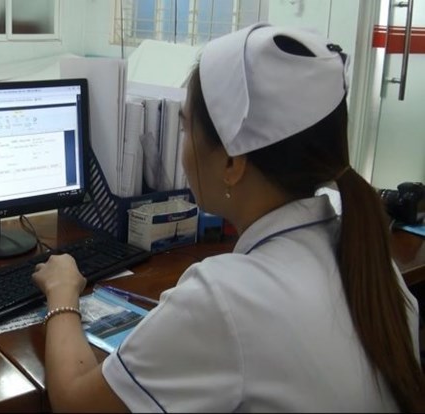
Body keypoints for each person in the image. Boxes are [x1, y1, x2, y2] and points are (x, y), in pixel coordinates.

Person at [32, 22, 424, 412]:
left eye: (186, 127)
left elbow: (75, 402)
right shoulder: (374, 268)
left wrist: (63, 291)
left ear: (233, 162)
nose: (184, 147)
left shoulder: (224, 298)